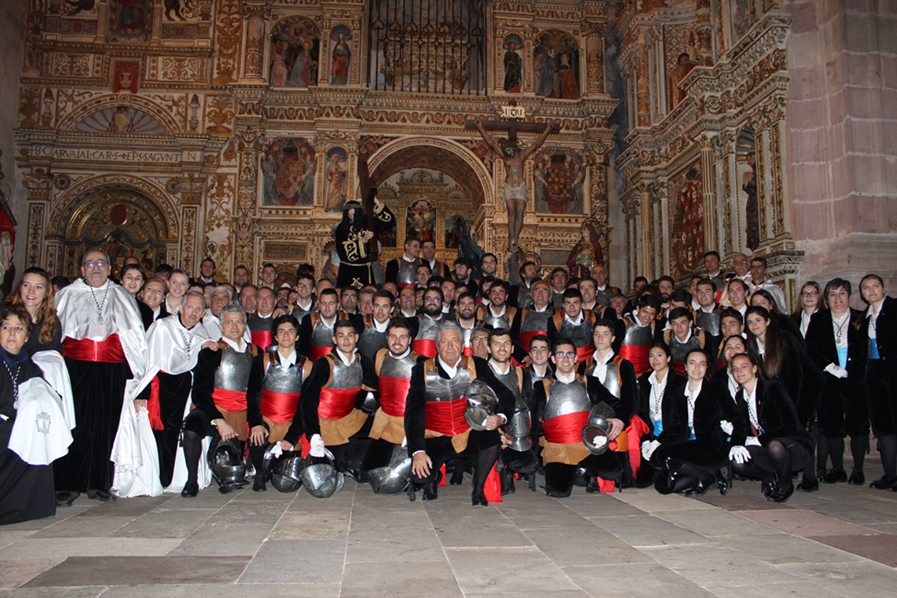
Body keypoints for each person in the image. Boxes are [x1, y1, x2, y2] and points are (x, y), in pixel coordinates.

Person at [53, 250, 148, 505]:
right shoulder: (67, 295)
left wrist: (139, 373)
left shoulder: (121, 295)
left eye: (101, 263)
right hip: (76, 368)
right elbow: (55, 336)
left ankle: (99, 483)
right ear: (82, 269)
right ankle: (68, 484)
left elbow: (134, 336)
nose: (95, 268)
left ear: (109, 269)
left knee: (106, 426)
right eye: (90, 264)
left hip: (111, 369)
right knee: (75, 424)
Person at [405, 321, 516, 506]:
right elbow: (413, 411)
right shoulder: (422, 370)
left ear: (462, 345)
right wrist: (418, 450)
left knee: (491, 440)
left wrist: (500, 418)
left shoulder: (477, 365)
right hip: (435, 435)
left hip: (468, 432)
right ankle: (433, 478)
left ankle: (478, 490)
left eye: (455, 341)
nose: (450, 347)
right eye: (445, 342)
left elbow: (505, 395)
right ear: (437, 346)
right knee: (420, 477)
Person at [182, 303, 262, 496]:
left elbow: (256, 391)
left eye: (239, 322)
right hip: (215, 407)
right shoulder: (211, 351)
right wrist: (218, 420)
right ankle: (191, 480)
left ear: (245, 326)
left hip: (243, 408)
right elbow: (200, 392)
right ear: (220, 326)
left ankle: (258, 471)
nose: (234, 326)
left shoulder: (257, 352)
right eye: (229, 322)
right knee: (192, 426)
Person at [282, 319, 377, 481]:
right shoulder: (324, 364)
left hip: (349, 419)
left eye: (349, 335)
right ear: (334, 340)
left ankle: (355, 462)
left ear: (356, 338)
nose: (346, 340)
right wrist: (310, 435)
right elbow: (307, 401)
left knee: (382, 425)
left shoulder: (363, 362)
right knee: (329, 473)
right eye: (341, 336)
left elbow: (377, 390)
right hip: (324, 422)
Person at [532, 337, 626, 497]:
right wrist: (538, 448)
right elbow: (534, 420)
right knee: (559, 492)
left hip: (588, 444)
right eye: (560, 354)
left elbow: (615, 403)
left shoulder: (590, 383)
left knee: (613, 471)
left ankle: (586, 468)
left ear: (576, 358)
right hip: (558, 447)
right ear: (553, 358)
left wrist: (621, 419)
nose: (565, 358)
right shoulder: (542, 387)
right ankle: (575, 470)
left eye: (569, 354)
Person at [142, 292, 214, 489]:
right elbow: (147, 362)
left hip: (185, 390)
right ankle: (157, 478)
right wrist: (143, 394)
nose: (194, 312)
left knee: (179, 434)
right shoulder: (162, 327)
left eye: (199, 309)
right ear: (181, 308)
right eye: (190, 307)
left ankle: (177, 479)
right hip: (160, 388)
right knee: (158, 434)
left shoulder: (202, 334)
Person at [651, 349, 740, 496]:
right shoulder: (678, 391)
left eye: (702, 364)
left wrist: (737, 442)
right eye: (692, 363)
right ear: (685, 366)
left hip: (711, 446)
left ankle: (708, 475)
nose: (697, 368)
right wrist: (658, 442)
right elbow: (674, 426)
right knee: (663, 486)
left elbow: (737, 417)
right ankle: (707, 476)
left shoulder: (717, 387)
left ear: (707, 367)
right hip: (688, 444)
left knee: (667, 456)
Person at [806, 279, 868, 486]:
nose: (838, 298)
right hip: (829, 380)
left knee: (858, 425)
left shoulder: (861, 318)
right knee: (832, 426)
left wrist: (854, 374)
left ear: (849, 296)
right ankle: (838, 469)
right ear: (827, 299)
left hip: (856, 379)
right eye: (833, 295)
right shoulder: (819, 319)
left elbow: (865, 351)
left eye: (842, 294)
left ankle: (858, 471)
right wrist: (830, 367)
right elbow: (811, 348)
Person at [0, 308, 59, 524]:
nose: (12, 333)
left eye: (19, 328)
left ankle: (23, 507)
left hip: (17, 429)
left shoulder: (30, 367)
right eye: (6, 328)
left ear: (26, 337)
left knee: (39, 438)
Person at [728, 353, 812, 503]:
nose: (739, 371)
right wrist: (737, 444)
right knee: (738, 462)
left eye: (744, 367)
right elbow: (742, 427)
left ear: (754, 369)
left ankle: (785, 483)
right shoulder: (740, 397)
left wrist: (759, 440)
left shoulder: (772, 387)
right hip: (765, 446)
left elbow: (791, 425)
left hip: (791, 445)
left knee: (774, 446)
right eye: (735, 369)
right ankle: (767, 477)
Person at [247, 314, 309, 491]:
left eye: (291, 331)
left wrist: (291, 437)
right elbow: (253, 396)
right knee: (257, 437)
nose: (286, 336)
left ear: (297, 336)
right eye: (281, 332)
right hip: (267, 420)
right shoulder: (262, 361)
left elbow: (305, 405)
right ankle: (259, 473)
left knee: (287, 474)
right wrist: (256, 424)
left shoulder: (307, 365)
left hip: (292, 423)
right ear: (275, 336)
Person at [474, 118, 553, 251]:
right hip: (510, 187)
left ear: (513, 147)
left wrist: (548, 129)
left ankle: (515, 237)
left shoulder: (522, 155)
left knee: (521, 212)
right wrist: (481, 127)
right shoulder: (506, 158)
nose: (507, 151)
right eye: (505, 150)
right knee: (511, 212)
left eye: (508, 149)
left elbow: (536, 144)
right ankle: (511, 239)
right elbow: (492, 143)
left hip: (521, 186)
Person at [364, 318, 420, 482]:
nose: (397, 342)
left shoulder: (420, 362)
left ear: (410, 340)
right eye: (393, 337)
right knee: (369, 471)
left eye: (402, 337)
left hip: (409, 423)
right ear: (386, 338)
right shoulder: (381, 357)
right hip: (386, 423)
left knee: (408, 478)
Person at [859, 274, 897, 490]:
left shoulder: (893, 308)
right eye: (866, 288)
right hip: (874, 374)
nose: (871, 290)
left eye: (875, 286)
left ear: (883, 288)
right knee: (883, 426)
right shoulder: (865, 317)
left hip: (894, 372)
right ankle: (890, 475)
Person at [487, 328, 535, 494]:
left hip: (516, 430)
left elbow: (528, 407)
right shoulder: (480, 373)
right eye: (497, 344)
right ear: (488, 348)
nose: (502, 348)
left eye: (506, 343)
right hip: (488, 430)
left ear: (513, 349)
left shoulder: (522, 374)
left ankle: (510, 468)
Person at [635, 342, 685, 488]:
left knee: (663, 484)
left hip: (672, 435)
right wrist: (646, 441)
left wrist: (659, 441)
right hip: (651, 434)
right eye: (651, 356)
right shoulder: (645, 380)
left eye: (659, 355)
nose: (655, 359)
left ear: (668, 358)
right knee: (642, 481)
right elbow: (642, 412)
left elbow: (678, 420)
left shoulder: (679, 382)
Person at [335, 198, 396, 289]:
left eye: (354, 210)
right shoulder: (341, 228)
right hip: (347, 270)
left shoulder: (367, 224)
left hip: (364, 269)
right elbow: (342, 250)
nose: (351, 213)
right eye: (349, 210)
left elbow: (388, 222)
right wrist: (362, 241)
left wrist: (376, 201)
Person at [5, 267, 62, 355]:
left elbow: (52, 355)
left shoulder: (51, 322)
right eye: (26, 285)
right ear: (20, 288)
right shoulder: (4, 313)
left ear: (46, 293)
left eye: (38, 287)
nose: (31, 291)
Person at [618, 295, 660, 376]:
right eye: (645, 312)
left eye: (652, 314)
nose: (647, 317)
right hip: (624, 374)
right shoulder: (622, 324)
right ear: (638, 309)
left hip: (647, 374)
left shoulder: (654, 326)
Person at [357, 290, 393, 362]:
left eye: (385, 307)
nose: (380, 311)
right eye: (377, 306)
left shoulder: (398, 327)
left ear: (391, 309)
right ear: (372, 307)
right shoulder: (359, 323)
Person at [413, 287, 446, 359]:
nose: (432, 302)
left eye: (436, 299)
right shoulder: (412, 323)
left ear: (442, 303)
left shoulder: (449, 326)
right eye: (428, 299)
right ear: (423, 302)